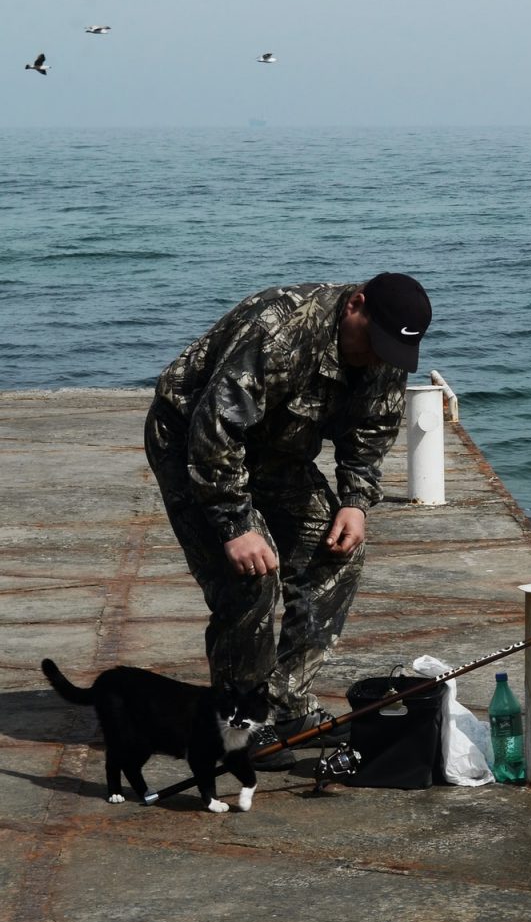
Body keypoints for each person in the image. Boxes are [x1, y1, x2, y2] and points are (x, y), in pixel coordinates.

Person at [144, 273, 431, 768]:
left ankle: (285, 704)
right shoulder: (279, 328)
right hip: (193, 443)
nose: (378, 358)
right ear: (354, 305)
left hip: (276, 453)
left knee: (337, 554)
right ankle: (237, 727)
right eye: (373, 342)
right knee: (249, 581)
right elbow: (215, 428)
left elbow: (373, 427)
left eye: (390, 352)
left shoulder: (383, 351)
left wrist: (355, 502)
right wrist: (236, 526)